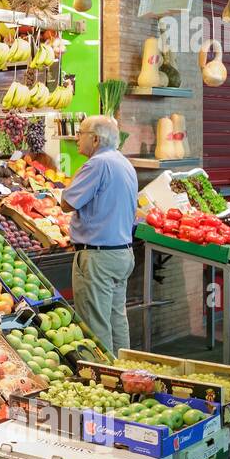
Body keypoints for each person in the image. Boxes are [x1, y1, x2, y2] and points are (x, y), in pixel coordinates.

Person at [60, 115, 139, 356]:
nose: (76, 138)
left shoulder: (97, 164)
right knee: (117, 319)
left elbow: (67, 203)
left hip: (98, 258)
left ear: (95, 139)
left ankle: (104, 379)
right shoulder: (124, 163)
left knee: (96, 325)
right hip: (122, 253)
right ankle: (125, 373)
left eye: (80, 133)